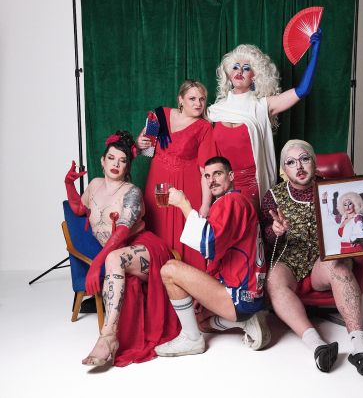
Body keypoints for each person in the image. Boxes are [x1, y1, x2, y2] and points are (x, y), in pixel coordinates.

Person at [261, 140, 363, 378]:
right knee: (273, 279)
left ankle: (360, 347)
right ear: (284, 169)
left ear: (314, 162)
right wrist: (275, 230)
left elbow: (357, 224)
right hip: (289, 262)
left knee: (339, 265)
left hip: (322, 262)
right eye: (291, 162)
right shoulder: (273, 196)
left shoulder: (335, 190)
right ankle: (318, 346)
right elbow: (266, 236)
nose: (299, 166)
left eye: (304, 159)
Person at [65, 130, 180, 367]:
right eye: (111, 158)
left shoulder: (132, 192)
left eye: (122, 160)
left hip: (145, 249)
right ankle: (110, 337)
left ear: (128, 166)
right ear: (102, 161)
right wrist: (68, 184)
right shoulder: (94, 185)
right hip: (115, 254)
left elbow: (122, 233)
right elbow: (79, 209)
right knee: (113, 259)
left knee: (113, 258)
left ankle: (107, 338)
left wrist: (96, 264)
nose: (116, 164)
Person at [154, 156, 271, 357]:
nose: (212, 180)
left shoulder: (231, 201)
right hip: (251, 296)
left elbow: (209, 242)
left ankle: (191, 339)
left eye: (218, 173)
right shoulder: (238, 201)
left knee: (170, 269)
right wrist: (203, 291)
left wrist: (184, 204)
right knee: (201, 321)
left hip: (238, 297)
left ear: (231, 176)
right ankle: (246, 322)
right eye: (207, 176)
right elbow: (222, 254)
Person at [208, 30, 322, 212]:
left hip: (253, 184)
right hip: (222, 183)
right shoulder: (215, 110)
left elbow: (302, 90)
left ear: (255, 77)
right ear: (229, 75)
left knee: (249, 227)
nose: (239, 71)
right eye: (235, 67)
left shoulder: (262, 105)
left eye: (246, 68)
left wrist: (315, 52)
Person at [136, 80, 217, 271]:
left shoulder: (204, 127)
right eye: (192, 99)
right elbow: (144, 148)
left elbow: (206, 171)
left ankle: (188, 283)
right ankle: (157, 281)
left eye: (202, 99)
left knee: (186, 236)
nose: (198, 103)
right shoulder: (160, 116)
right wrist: (139, 144)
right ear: (180, 99)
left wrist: (206, 204)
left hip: (187, 189)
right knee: (157, 229)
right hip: (158, 184)